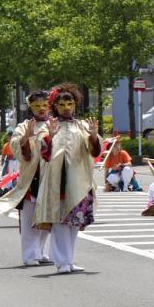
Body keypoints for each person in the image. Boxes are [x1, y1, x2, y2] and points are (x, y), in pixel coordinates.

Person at [34, 83, 101, 274]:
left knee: (74, 223)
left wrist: (94, 137)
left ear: (74, 104)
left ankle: (69, 260)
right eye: (62, 104)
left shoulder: (82, 126)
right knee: (61, 221)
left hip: (78, 181)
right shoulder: (48, 126)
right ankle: (61, 261)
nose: (66, 107)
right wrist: (50, 136)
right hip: (58, 181)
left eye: (69, 103)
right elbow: (43, 154)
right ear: (55, 105)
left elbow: (94, 151)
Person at [0, 91, 52, 265]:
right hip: (31, 178)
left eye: (44, 105)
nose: (41, 109)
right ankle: (30, 255)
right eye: (37, 106)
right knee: (29, 218)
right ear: (30, 107)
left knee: (47, 216)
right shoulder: (24, 126)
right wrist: (25, 139)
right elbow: (15, 145)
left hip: (50, 177)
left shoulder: (55, 124)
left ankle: (42, 251)